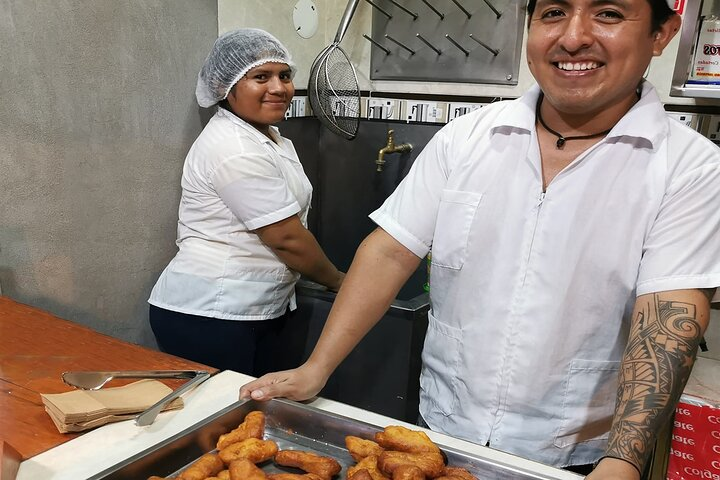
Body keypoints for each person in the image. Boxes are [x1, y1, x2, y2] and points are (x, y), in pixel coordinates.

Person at [242, 0, 720, 478]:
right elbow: (390, 251)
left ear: (661, 33)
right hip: (442, 428)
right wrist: (316, 368)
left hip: (575, 453)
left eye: (609, 13)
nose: (573, 37)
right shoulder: (469, 139)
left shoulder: (689, 168)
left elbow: (669, 312)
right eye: (553, 12)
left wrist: (624, 460)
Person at [148, 28, 344, 377]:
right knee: (220, 422)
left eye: (284, 75)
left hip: (250, 308)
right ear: (227, 87)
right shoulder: (233, 147)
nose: (279, 87)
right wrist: (340, 281)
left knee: (248, 416)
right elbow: (285, 238)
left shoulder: (268, 137)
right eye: (260, 77)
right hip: (211, 313)